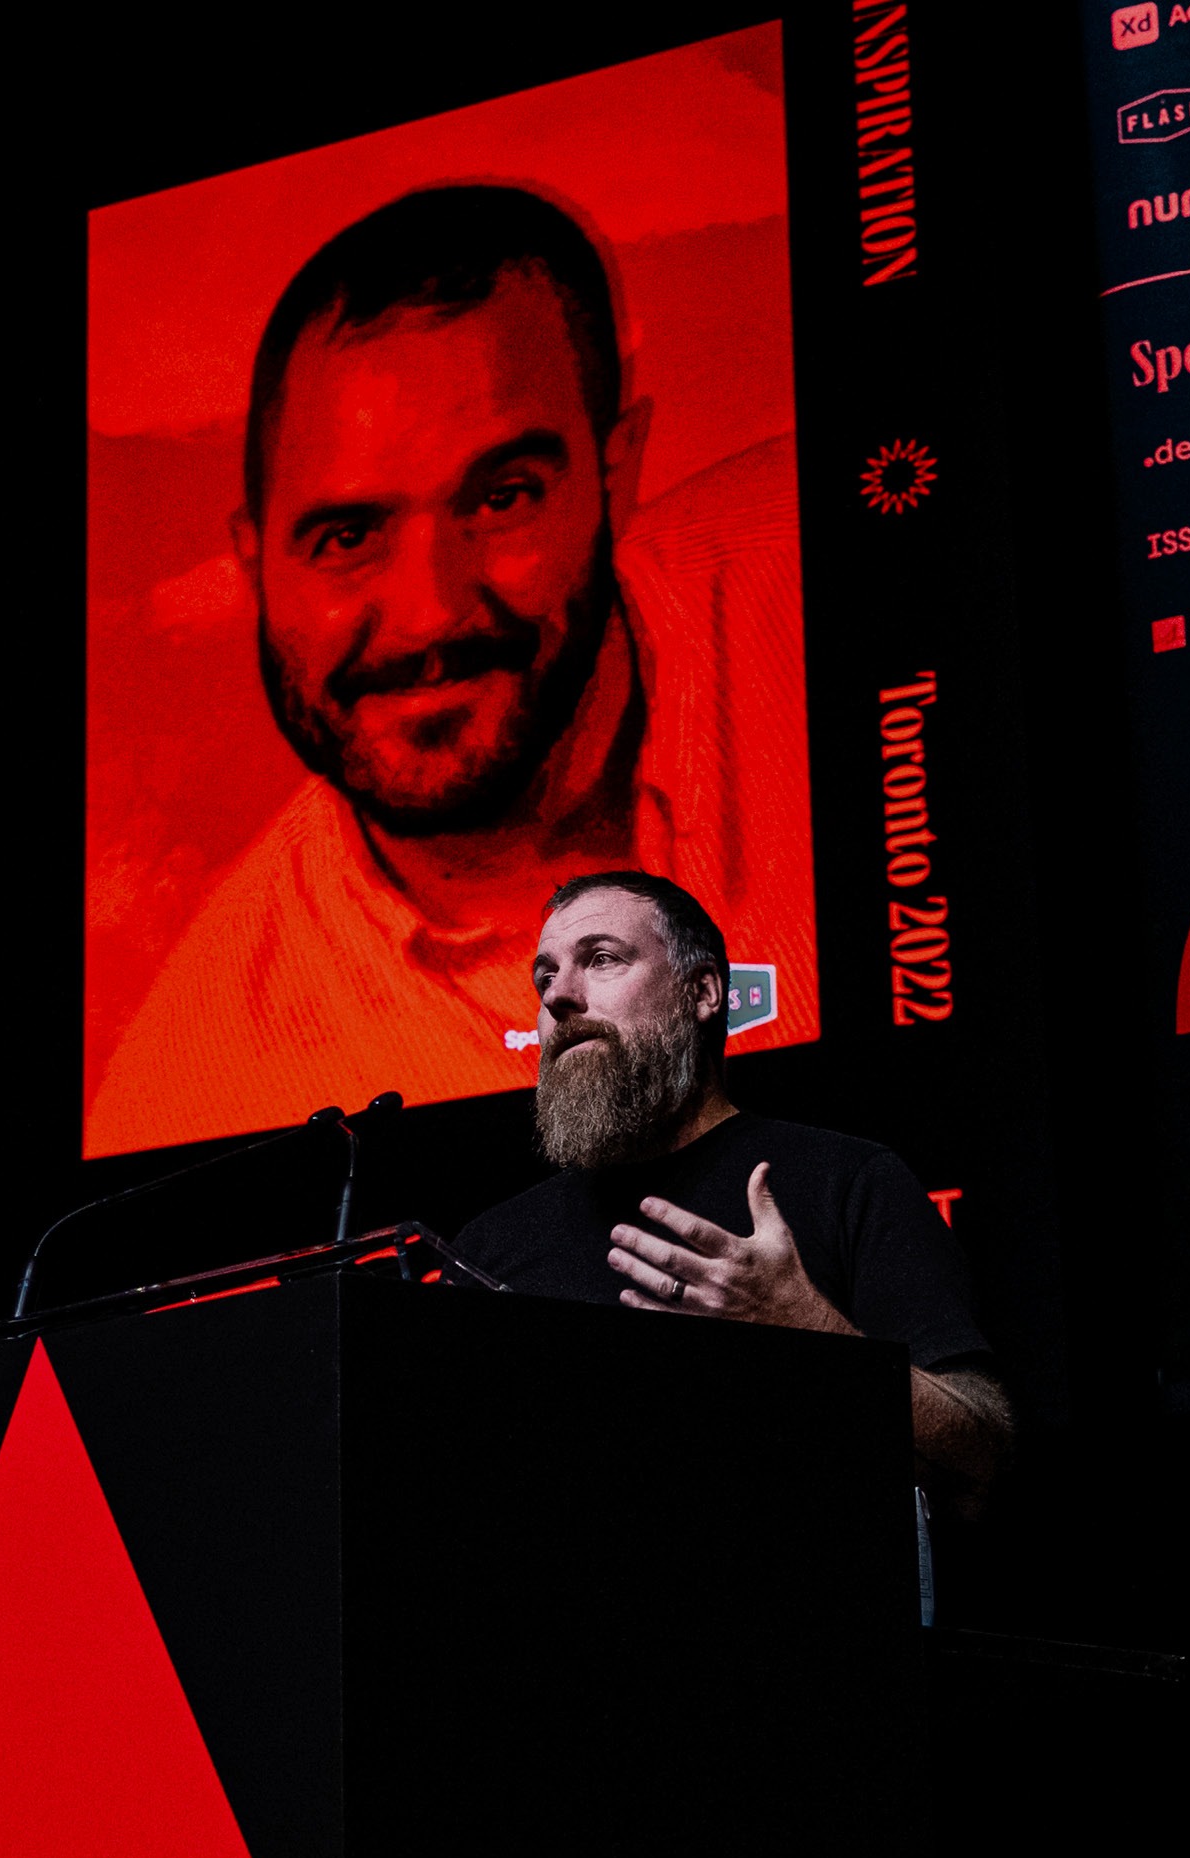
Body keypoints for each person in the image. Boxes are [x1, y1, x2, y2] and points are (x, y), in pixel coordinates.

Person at [90, 185, 811, 1151]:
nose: (431, 611)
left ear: (617, 469)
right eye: (347, 536)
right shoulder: (190, 1088)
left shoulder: (830, 573)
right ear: (255, 560)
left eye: (503, 497)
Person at [457, 873, 1012, 1520]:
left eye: (601, 959)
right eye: (543, 978)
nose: (559, 998)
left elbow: (983, 1460)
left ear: (703, 992)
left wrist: (810, 1334)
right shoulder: (487, 1249)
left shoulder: (846, 1181)